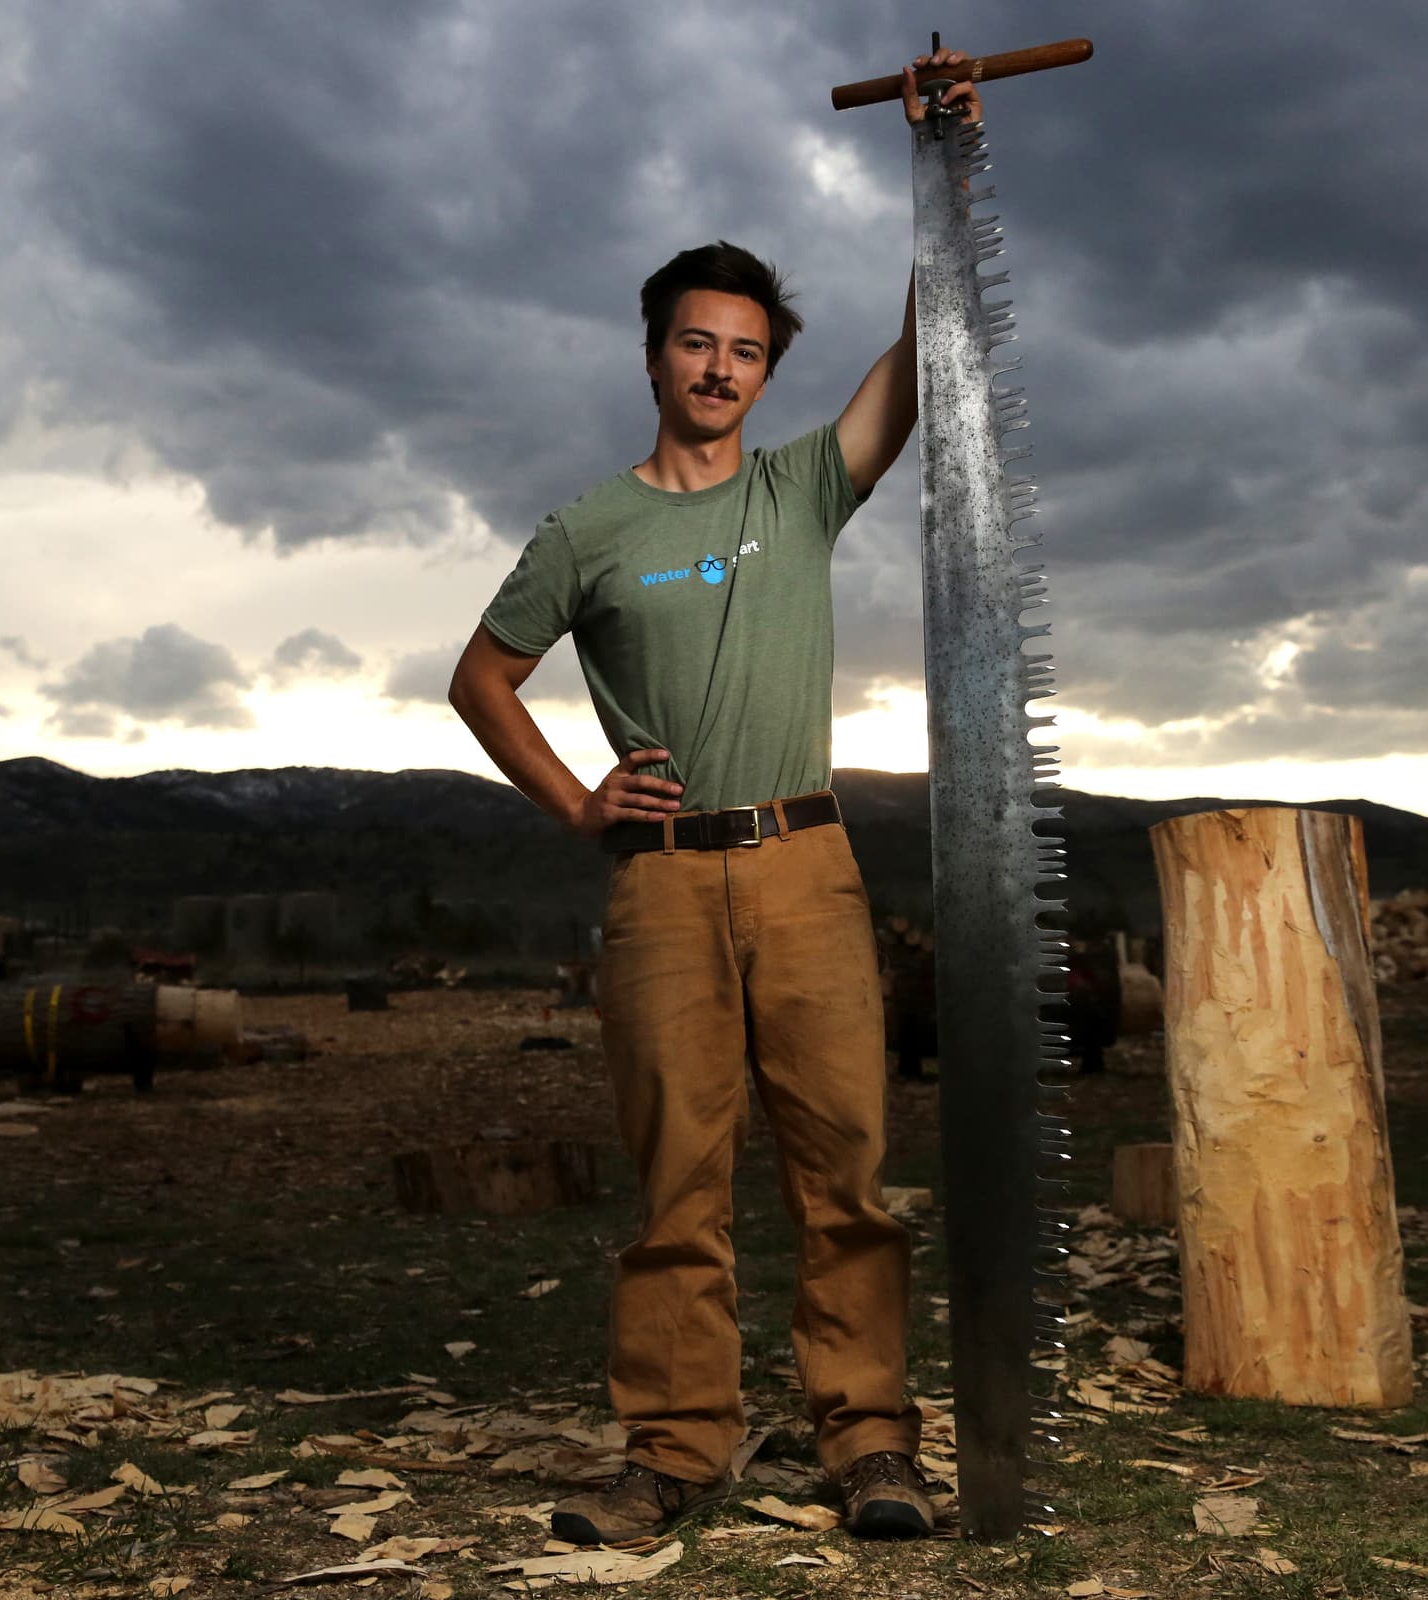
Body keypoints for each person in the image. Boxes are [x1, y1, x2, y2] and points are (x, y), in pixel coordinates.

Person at [446, 52, 982, 1543]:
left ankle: (869, 1444)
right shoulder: (590, 527)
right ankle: (675, 1455)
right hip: (664, 883)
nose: (720, 369)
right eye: (697, 344)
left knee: (846, 1171)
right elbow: (482, 678)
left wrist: (938, 166)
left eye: (746, 350)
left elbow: (928, 359)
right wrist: (573, 799)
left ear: (765, 371)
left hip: (807, 870)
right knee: (677, 1184)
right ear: (654, 354)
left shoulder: (802, 490)